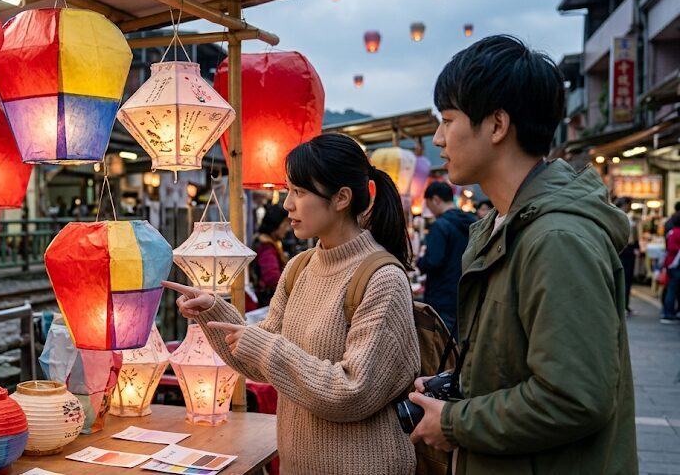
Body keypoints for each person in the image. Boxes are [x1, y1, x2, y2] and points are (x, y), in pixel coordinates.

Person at [408, 35, 637, 473]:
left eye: (449, 119)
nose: (438, 138)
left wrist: (455, 422)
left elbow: (574, 396)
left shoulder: (556, 238)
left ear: (496, 125)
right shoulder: (504, 226)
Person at [164, 134, 420, 474]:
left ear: (342, 198)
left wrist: (266, 347)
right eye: (289, 191)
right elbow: (260, 364)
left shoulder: (382, 277)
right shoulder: (300, 267)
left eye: (299, 192)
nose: (287, 204)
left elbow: (353, 391)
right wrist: (212, 310)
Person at [417, 181, 475, 335]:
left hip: (441, 296)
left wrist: (419, 262)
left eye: (428, 204)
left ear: (435, 199)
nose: (428, 209)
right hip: (465, 292)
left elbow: (433, 261)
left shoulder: (440, 225)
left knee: (441, 348)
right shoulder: (472, 223)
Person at [250, 205, 290, 307]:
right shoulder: (267, 247)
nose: (287, 229)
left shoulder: (267, 242)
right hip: (267, 303)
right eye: (285, 224)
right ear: (275, 225)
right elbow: (272, 278)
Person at [614, 197, 639, 316]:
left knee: (624, 279)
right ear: (624, 205)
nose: (630, 207)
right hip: (625, 250)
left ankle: (624, 305)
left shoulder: (619, 215)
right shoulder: (622, 217)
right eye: (629, 205)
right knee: (624, 279)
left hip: (624, 250)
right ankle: (622, 305)